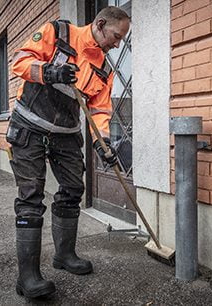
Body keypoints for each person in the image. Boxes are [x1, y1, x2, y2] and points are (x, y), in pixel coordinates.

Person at [9, 6, 130, 298]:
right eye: (115, 36)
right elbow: (19, 61)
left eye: (121, 40)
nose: (117, 44)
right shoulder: (58, 32)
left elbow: (99, 110)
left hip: (66, 134)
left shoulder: (104, 69)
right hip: (30, 126)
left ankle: (64, 255)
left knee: (74, 188)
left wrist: (103, 143)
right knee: (31, 196)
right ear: (100, 24)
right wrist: (48, 71)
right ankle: (28, 278)